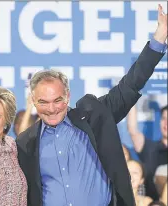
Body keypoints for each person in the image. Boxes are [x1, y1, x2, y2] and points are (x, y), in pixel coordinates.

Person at [16, 5, 167, 206]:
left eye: (57, 100)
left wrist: (159, 38)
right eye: (43, 102)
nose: (51, 108)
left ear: (68, 96)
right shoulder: (25, 143)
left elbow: (130, 85)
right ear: (33, 101)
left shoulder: (94, 116)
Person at [127, 104, 167, 200]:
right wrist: (131, 94)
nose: (166, 123)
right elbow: (132, 130)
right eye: (164, 118)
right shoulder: (150, 147)